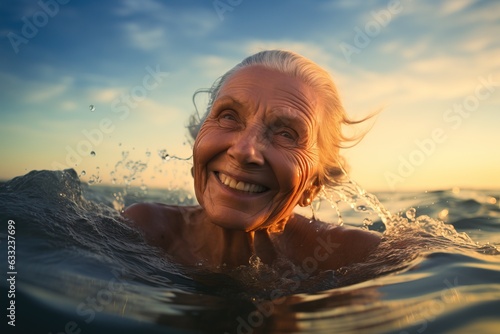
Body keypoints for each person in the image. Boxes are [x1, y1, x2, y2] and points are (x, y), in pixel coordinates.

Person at [123, 50, 381, 273]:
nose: (245, 151)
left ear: (313, 185)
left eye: (286, 134)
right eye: (228, 117)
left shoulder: (356, 257)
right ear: (198, 146)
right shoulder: (144, 229)